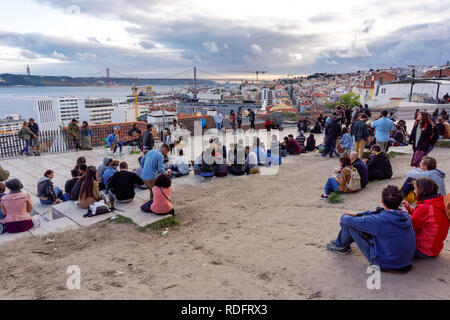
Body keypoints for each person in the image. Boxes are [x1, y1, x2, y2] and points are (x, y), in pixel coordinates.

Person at [326, 185, 416, 271]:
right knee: (360, 224)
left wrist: (355, 217)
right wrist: (359, 214)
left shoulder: (380, 220)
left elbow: (345, 219)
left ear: (382, 201)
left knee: (350, 225)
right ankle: (341, 243)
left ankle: (339, 245)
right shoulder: (405, 215)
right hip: (405, 261)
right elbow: (380, 211)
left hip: (385, 263)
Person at [403, 178, 449, 258]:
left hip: (423, 250)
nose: (413, 191)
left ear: (422, 191)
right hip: (435, 248)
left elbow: (410, 226)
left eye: (415, 189)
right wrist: (410, 210)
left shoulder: (424, 207)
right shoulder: (438, 201)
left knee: (394, 239)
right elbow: (425, 218)